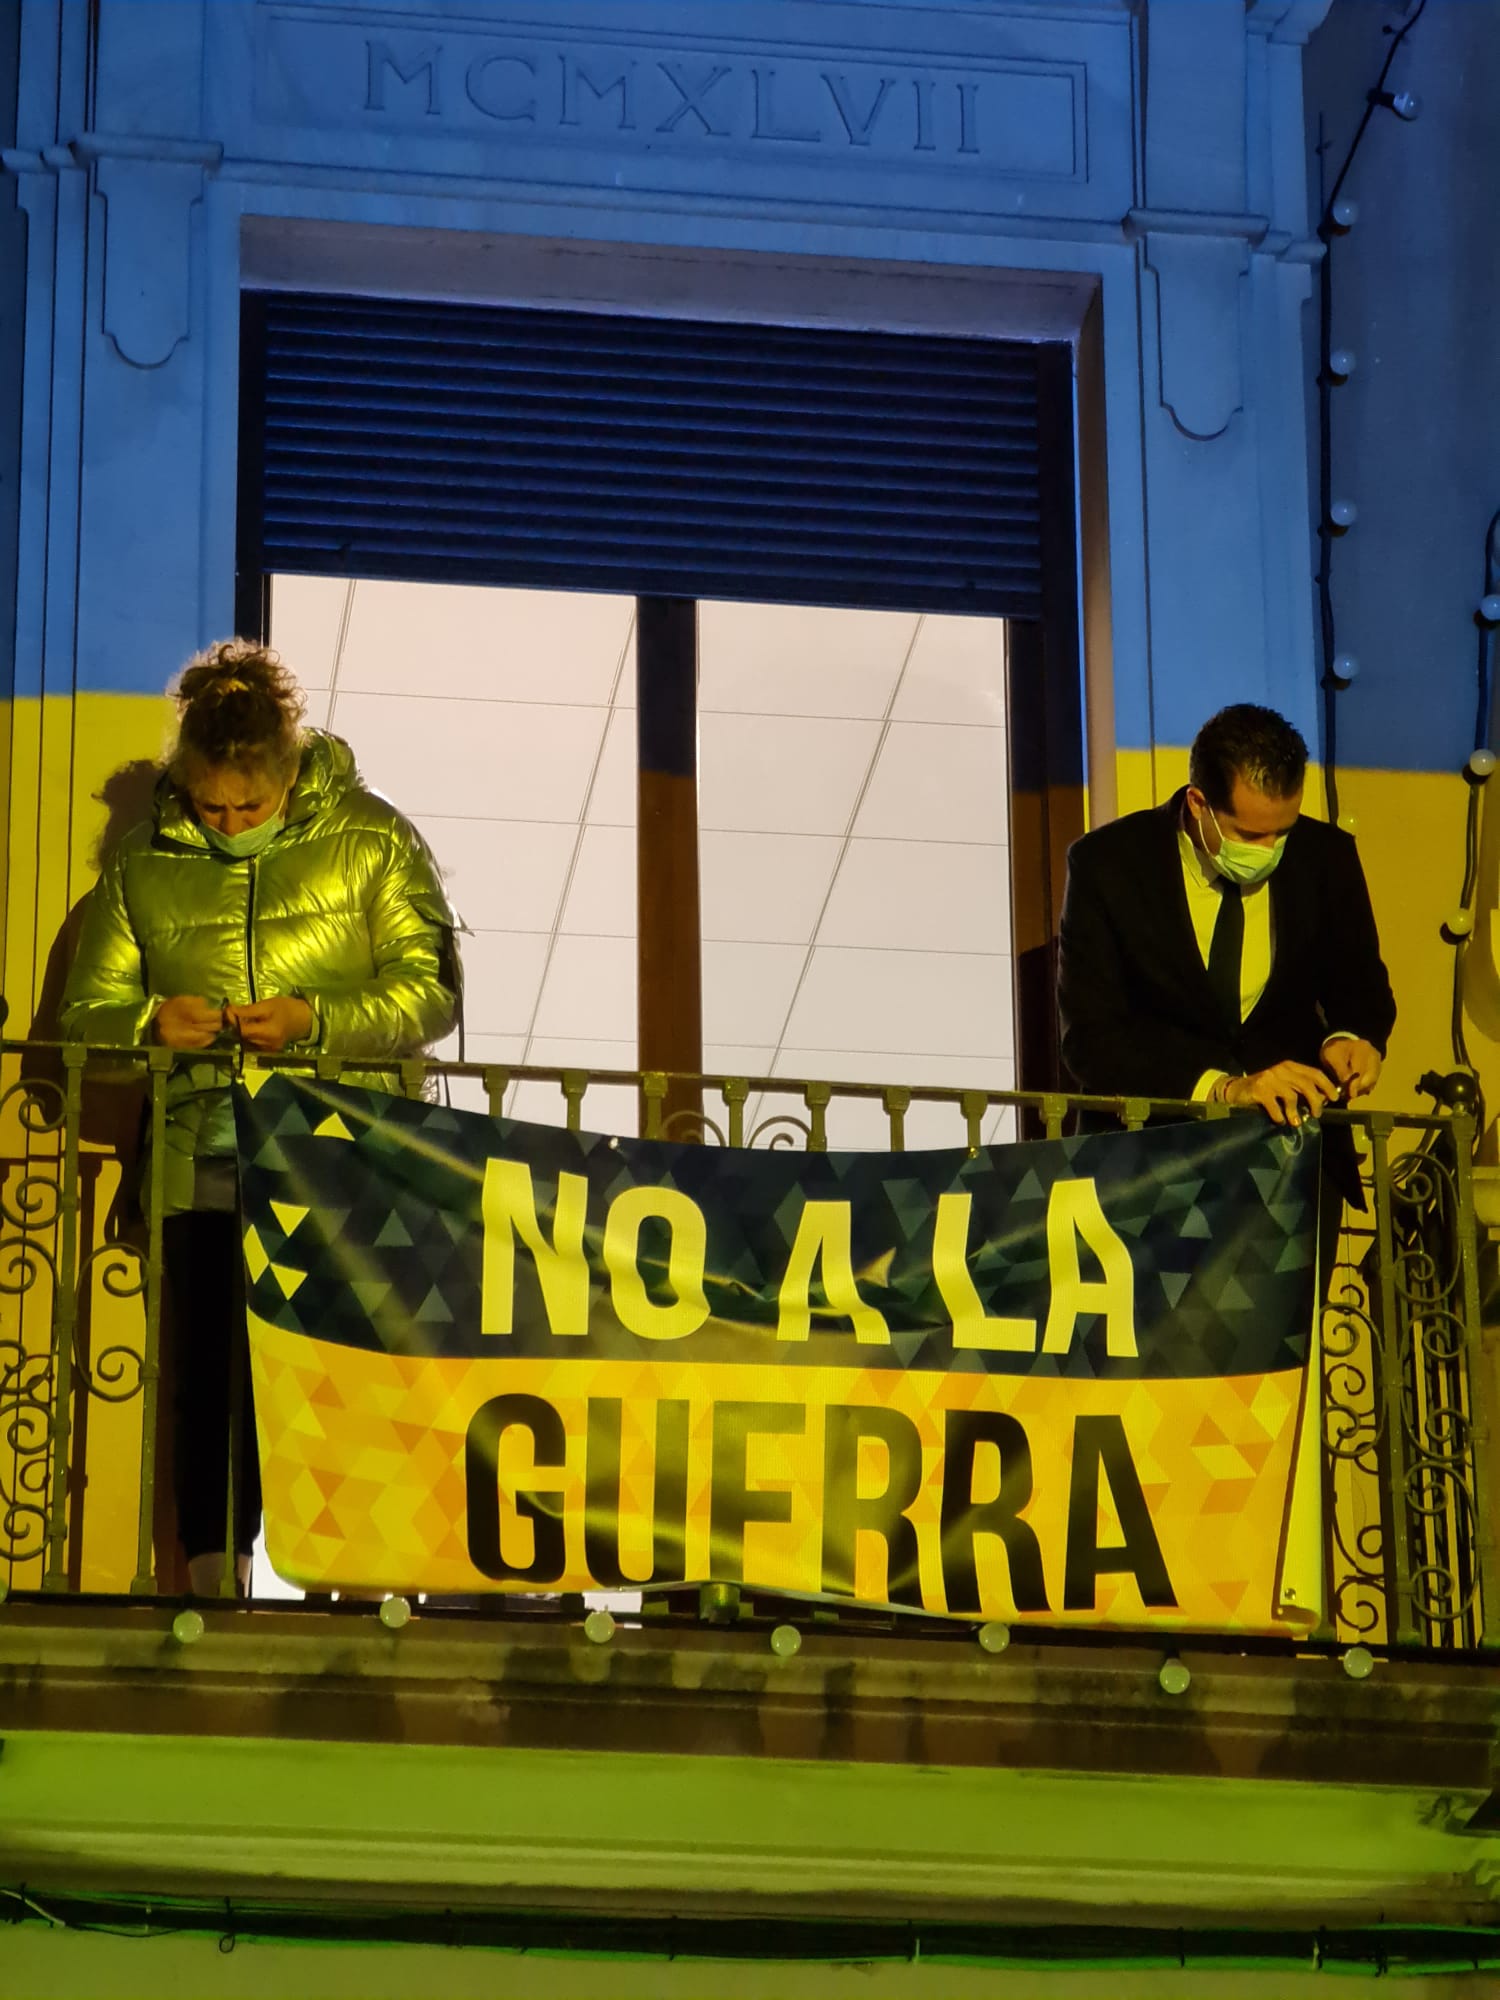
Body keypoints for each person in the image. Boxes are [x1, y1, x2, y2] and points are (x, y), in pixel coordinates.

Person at [61, 641, 461, 1597]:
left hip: (344, 1158)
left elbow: (432, 992)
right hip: (199, 1159)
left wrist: (315, 1022)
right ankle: (212, 1584)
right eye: (213, 807)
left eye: (252, 805)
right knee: (209, 1384)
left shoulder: (372, 840)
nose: (232, 822)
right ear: (187, 783)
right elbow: (82, 1023)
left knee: (344, 1372)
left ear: (289, 774)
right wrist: (149, 1024)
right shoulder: (141, 870)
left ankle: (360, 1587)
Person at [1057, 703, 1395, 1128]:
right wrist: (1225, 1088)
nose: (1269, 849)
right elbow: (1090, 1039)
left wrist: (1349, 1038)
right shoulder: (1106, 864)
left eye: (1283, 831)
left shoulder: (1327, 856)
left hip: (1294, 1149)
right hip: (1150, 1152)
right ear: (1198, 803)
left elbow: (1362, 989)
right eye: (1250, 834)